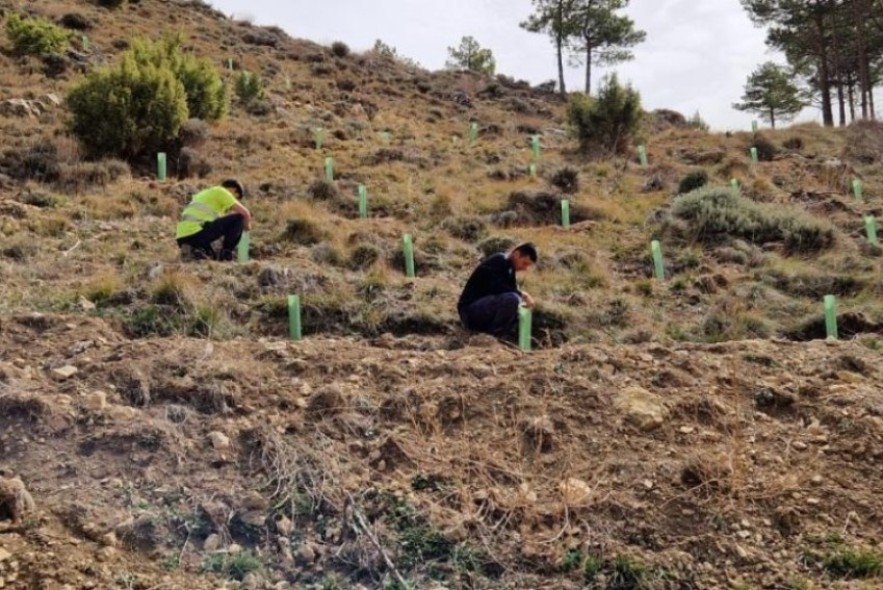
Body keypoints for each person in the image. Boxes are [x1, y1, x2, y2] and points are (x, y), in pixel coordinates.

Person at [457, 242, 538, 338]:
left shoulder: (509, 270)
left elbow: (512, 290)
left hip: (481, 310)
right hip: (469, 312)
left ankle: (505, 337)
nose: (524, 268)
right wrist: (523, 295)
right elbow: (497, 287)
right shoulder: (499, 260)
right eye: (524, 263)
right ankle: (495, 337)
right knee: (512, 299)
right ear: (516, 254)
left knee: (521, 306)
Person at [176, 179, 251, 261]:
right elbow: (245, 213)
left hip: (183, 236)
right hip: (196, 231)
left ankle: (192, 250)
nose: (233, 202)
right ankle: (226, 255)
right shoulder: (221, 191)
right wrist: (247, 228)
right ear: (233, 190)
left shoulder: (204, 194)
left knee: (211, 256)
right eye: (236, 198)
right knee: (238, 218)